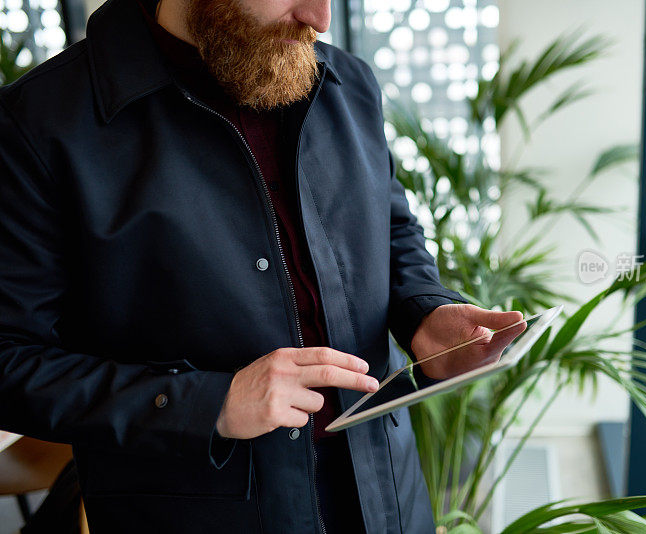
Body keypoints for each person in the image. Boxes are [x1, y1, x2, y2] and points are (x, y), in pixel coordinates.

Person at [0, 0, 523, 532]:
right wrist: (210, 403)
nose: (320, 18)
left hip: (388, 498)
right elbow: (8, 360)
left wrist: (425, 312)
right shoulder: (36, 125)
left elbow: (391, 230)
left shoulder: (350, 83)